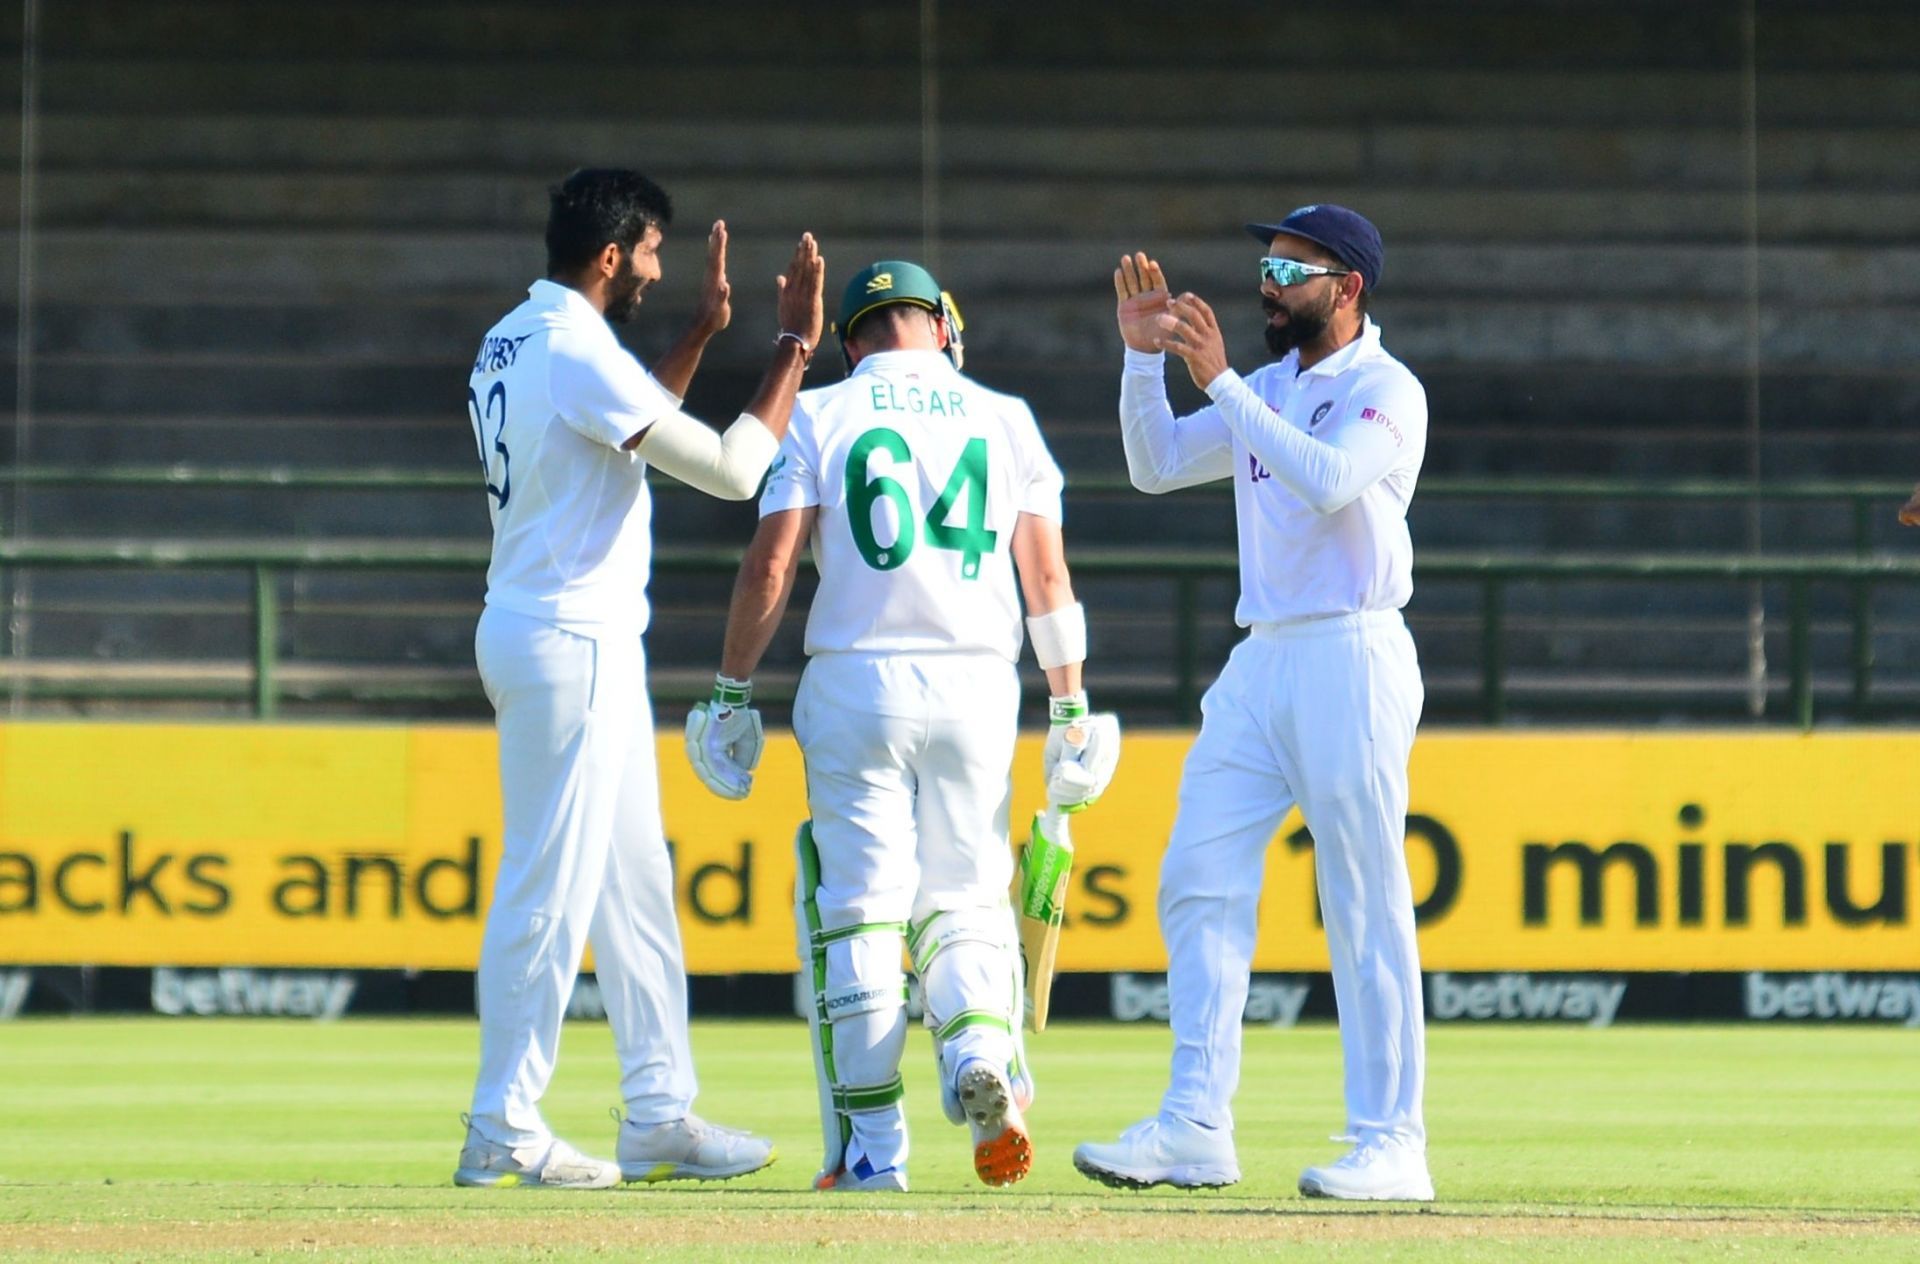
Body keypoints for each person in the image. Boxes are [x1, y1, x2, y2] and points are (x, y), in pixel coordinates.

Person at [684, 260, 1119, 1193]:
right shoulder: (1006, 419)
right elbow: (1047, 582)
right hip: (977, 684)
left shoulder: (818, 413)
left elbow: (771, 569)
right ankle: (982, 1060)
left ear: (852, 339)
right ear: (939, 324)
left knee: (861, 909)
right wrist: (1072, 706)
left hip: (857, 678)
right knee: (965, 899)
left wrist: (730, 690)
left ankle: (876, 1149)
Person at [454, 167, 825, 1189]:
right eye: (653, 253)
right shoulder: (575, 349)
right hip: (568, 636)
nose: (660, 270)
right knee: (548, 885)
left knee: (634, 887)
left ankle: (659, 1111)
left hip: (566, 631)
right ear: (612, 256)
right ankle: (502, 1124)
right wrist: (792, 344)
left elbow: (618, 429)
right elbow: (732, 468)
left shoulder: (519, 336)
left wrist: (704, 333)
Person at [1072, 205, 1434, 1201]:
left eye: (1291, 267)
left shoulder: (1385, 388)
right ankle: (1194, 1122)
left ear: (1348, 286)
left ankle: (1393, 1140)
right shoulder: (1267, 387)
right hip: (1261, 656)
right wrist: (1145, 362)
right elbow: (1153, 469)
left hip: (1353, 651)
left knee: (1362, 898)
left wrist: (1222, 382)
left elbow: (1326, 482)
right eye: (1266, 264)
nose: (1269, 282)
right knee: (1197, 874)